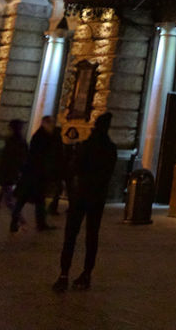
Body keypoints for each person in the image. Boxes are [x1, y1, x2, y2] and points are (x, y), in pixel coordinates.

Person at [53, 112, 117, 292]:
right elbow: (109, 174)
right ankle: (86, 274)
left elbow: (75, 167)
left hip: (81, 195)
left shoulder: (87, 145)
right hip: (97, 198)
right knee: (92, 236)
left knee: (71, 235)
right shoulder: (110, 148)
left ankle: (64, 274)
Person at [11, 115, 56, 233]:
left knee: (37, 200)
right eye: (50, 124)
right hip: (34, 175)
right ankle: (17, 223)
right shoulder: (41, 137)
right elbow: (38, 156)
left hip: (34, 175)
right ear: (45, 123)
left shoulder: (42, 136)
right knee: (23, 200)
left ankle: (40, 223)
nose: (52, 126)